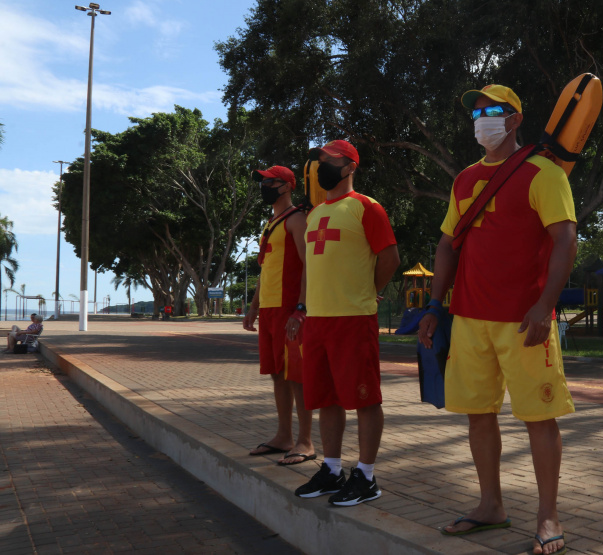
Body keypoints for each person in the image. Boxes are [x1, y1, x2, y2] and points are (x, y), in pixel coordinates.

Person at [418, 85, 577, 555]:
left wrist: (544, 305)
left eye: (491, 111)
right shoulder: (464, 179)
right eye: (476, 111)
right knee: (478, 415)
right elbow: (448, 244)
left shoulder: (543, 172)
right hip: (468, 317)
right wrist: (434, 306)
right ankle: (491, 506)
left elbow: (565, 241)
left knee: (539, 417)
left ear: (513, 120)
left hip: (523, 319)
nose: (480, 119)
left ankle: (548, 517)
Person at [293, 140, 400, 507]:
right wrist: (302, 308)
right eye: (319, 159)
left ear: (350, 166)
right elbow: (311, 267)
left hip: (353, 319)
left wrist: (369, 291)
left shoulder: (366, 207)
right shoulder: (314, 214)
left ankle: (367, 476)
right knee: (327, 399)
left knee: (365, 399)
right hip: (318, 321)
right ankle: (332, 469)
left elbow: (389, 257)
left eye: (329, 159)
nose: (321, 164)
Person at [243, 165, 316, 466]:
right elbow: (265, 268)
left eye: (269, 182)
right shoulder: (270, 222)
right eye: (263, 182)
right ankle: (284, 435)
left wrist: (301, 308)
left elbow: (309, 265)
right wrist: (254, 305)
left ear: (286, 186)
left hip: (290, 309)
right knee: (277, 374)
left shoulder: (297, 220)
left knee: (297, 377)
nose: (265, 187)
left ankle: (306, 441)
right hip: (270, 311)